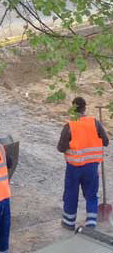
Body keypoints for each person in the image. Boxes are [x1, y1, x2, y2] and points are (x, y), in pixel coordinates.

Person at [57, 96, 109, 230]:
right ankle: (91, 222)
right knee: (91, 194)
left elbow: (61, 148)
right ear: (85, 108)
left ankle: (68, 223)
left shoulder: (69, 126)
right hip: (92, 166)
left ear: (73, 109)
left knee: (71, 195)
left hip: (74, 168)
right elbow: (106, 142)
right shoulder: (95, 122)